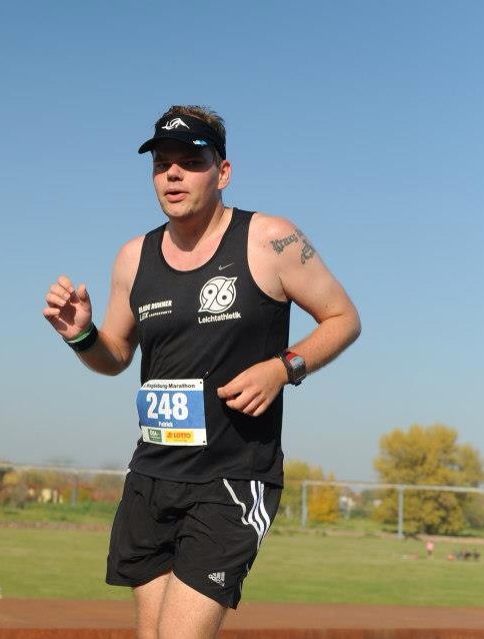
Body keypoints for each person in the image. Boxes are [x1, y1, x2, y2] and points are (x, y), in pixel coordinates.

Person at [42, 105, 360, 638]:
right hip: (152, 476)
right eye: (162, 164)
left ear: (223, 172)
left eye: (191, 162)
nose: (173, 174)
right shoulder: (133, 257)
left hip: (231, 478)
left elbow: (344, 318)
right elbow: (114, 357)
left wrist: (283, 369)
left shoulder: (269, 239)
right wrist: (81, 334)